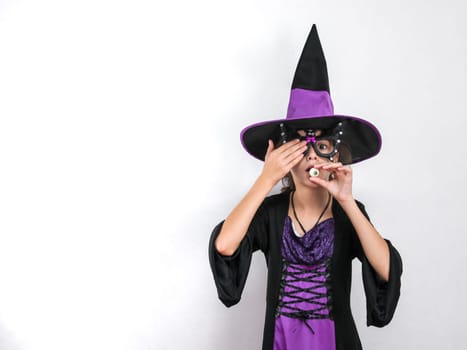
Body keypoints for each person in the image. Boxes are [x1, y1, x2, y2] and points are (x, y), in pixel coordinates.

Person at [208, 24, 402, 350]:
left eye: (321, 145)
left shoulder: (347, 213)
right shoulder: (270, 213)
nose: (310, 155)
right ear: (285, 155)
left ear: (335, 154)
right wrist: (265, 178)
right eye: (299, 146)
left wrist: (348, 201)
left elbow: (385, 269)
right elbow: (225, 246)